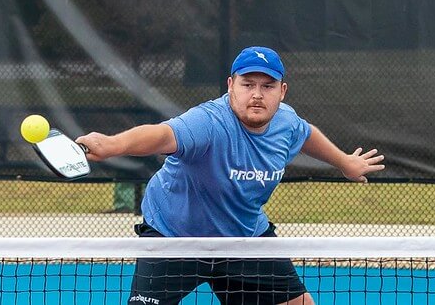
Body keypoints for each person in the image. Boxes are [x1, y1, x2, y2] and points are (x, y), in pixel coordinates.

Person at [75, 46, 385, 305]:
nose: (257, 95)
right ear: (230, 85)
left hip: (243, 237)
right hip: (174, 237)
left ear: (282, 91)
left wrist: (344, 162)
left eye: (267, 86)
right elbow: (161, 135)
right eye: (248, 84)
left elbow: (306, 135)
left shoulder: (286, 122)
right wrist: (112, 145)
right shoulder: (208, 123)